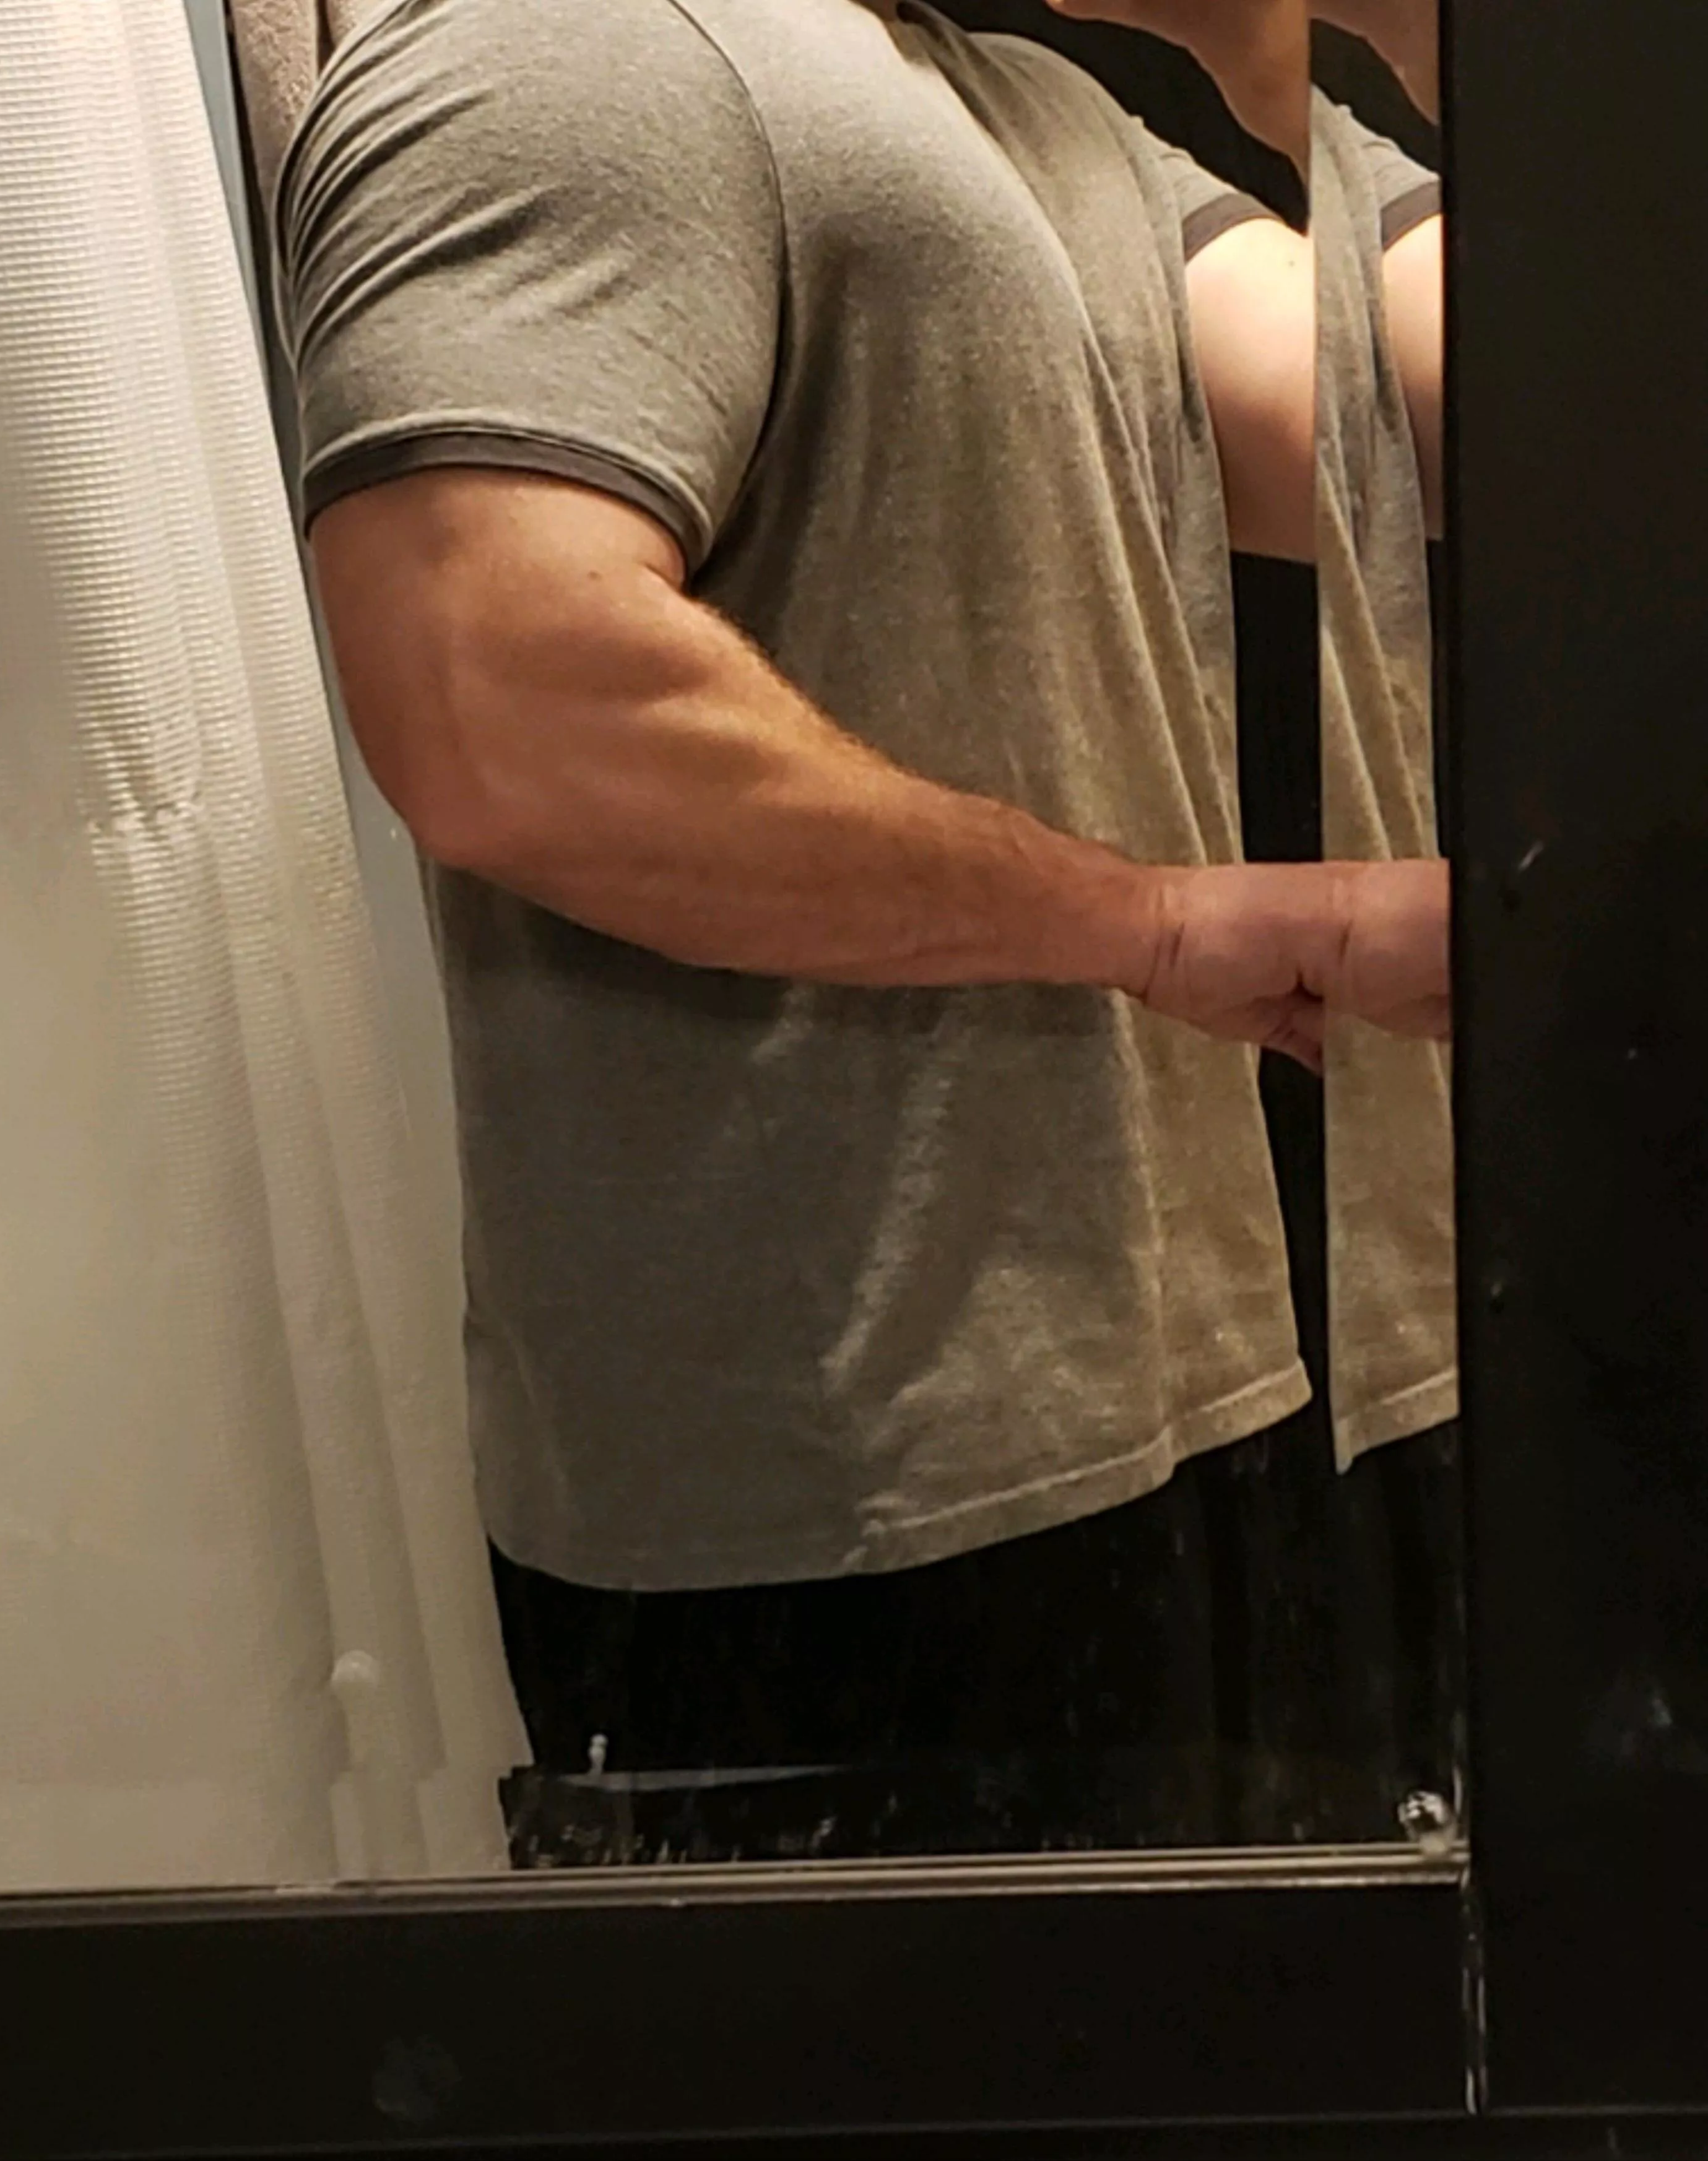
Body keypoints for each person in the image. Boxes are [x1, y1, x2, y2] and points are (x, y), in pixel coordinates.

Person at [275, 0, 1447, 1827]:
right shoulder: (559, 48)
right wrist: (1144, 924)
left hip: (1153, 1391)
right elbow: (496, 706)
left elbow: (1413, 405)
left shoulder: (1014, 102)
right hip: (829, 1508)